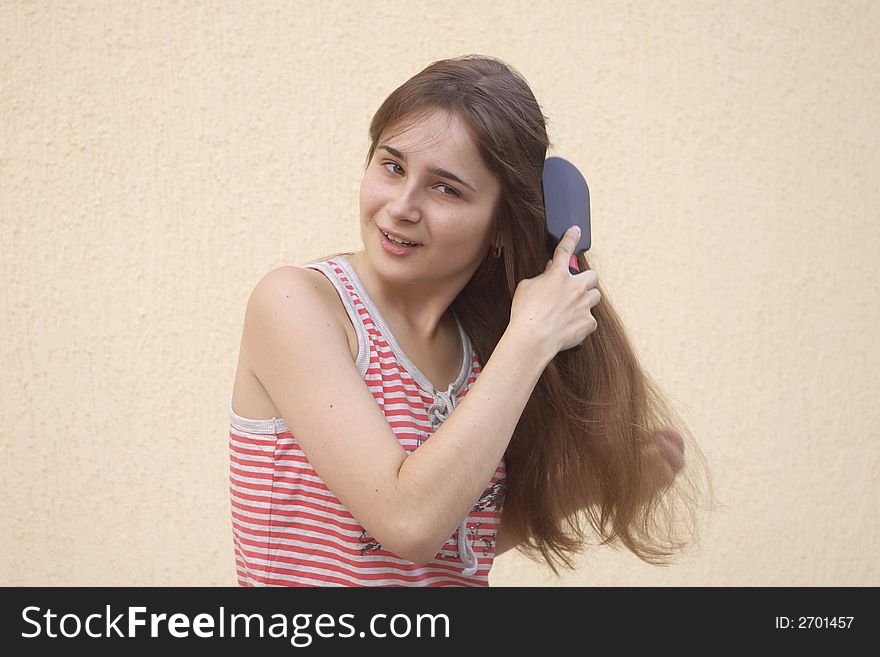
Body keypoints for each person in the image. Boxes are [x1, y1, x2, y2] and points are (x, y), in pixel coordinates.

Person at [228, 55, 710, 586]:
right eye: (392, 166)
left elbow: (451, 541)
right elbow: (408, 522)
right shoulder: (298, 305)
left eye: (445, 189)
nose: (402, 206)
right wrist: (529, 340)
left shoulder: (480, 352)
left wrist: (585, 489)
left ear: (502, 226)